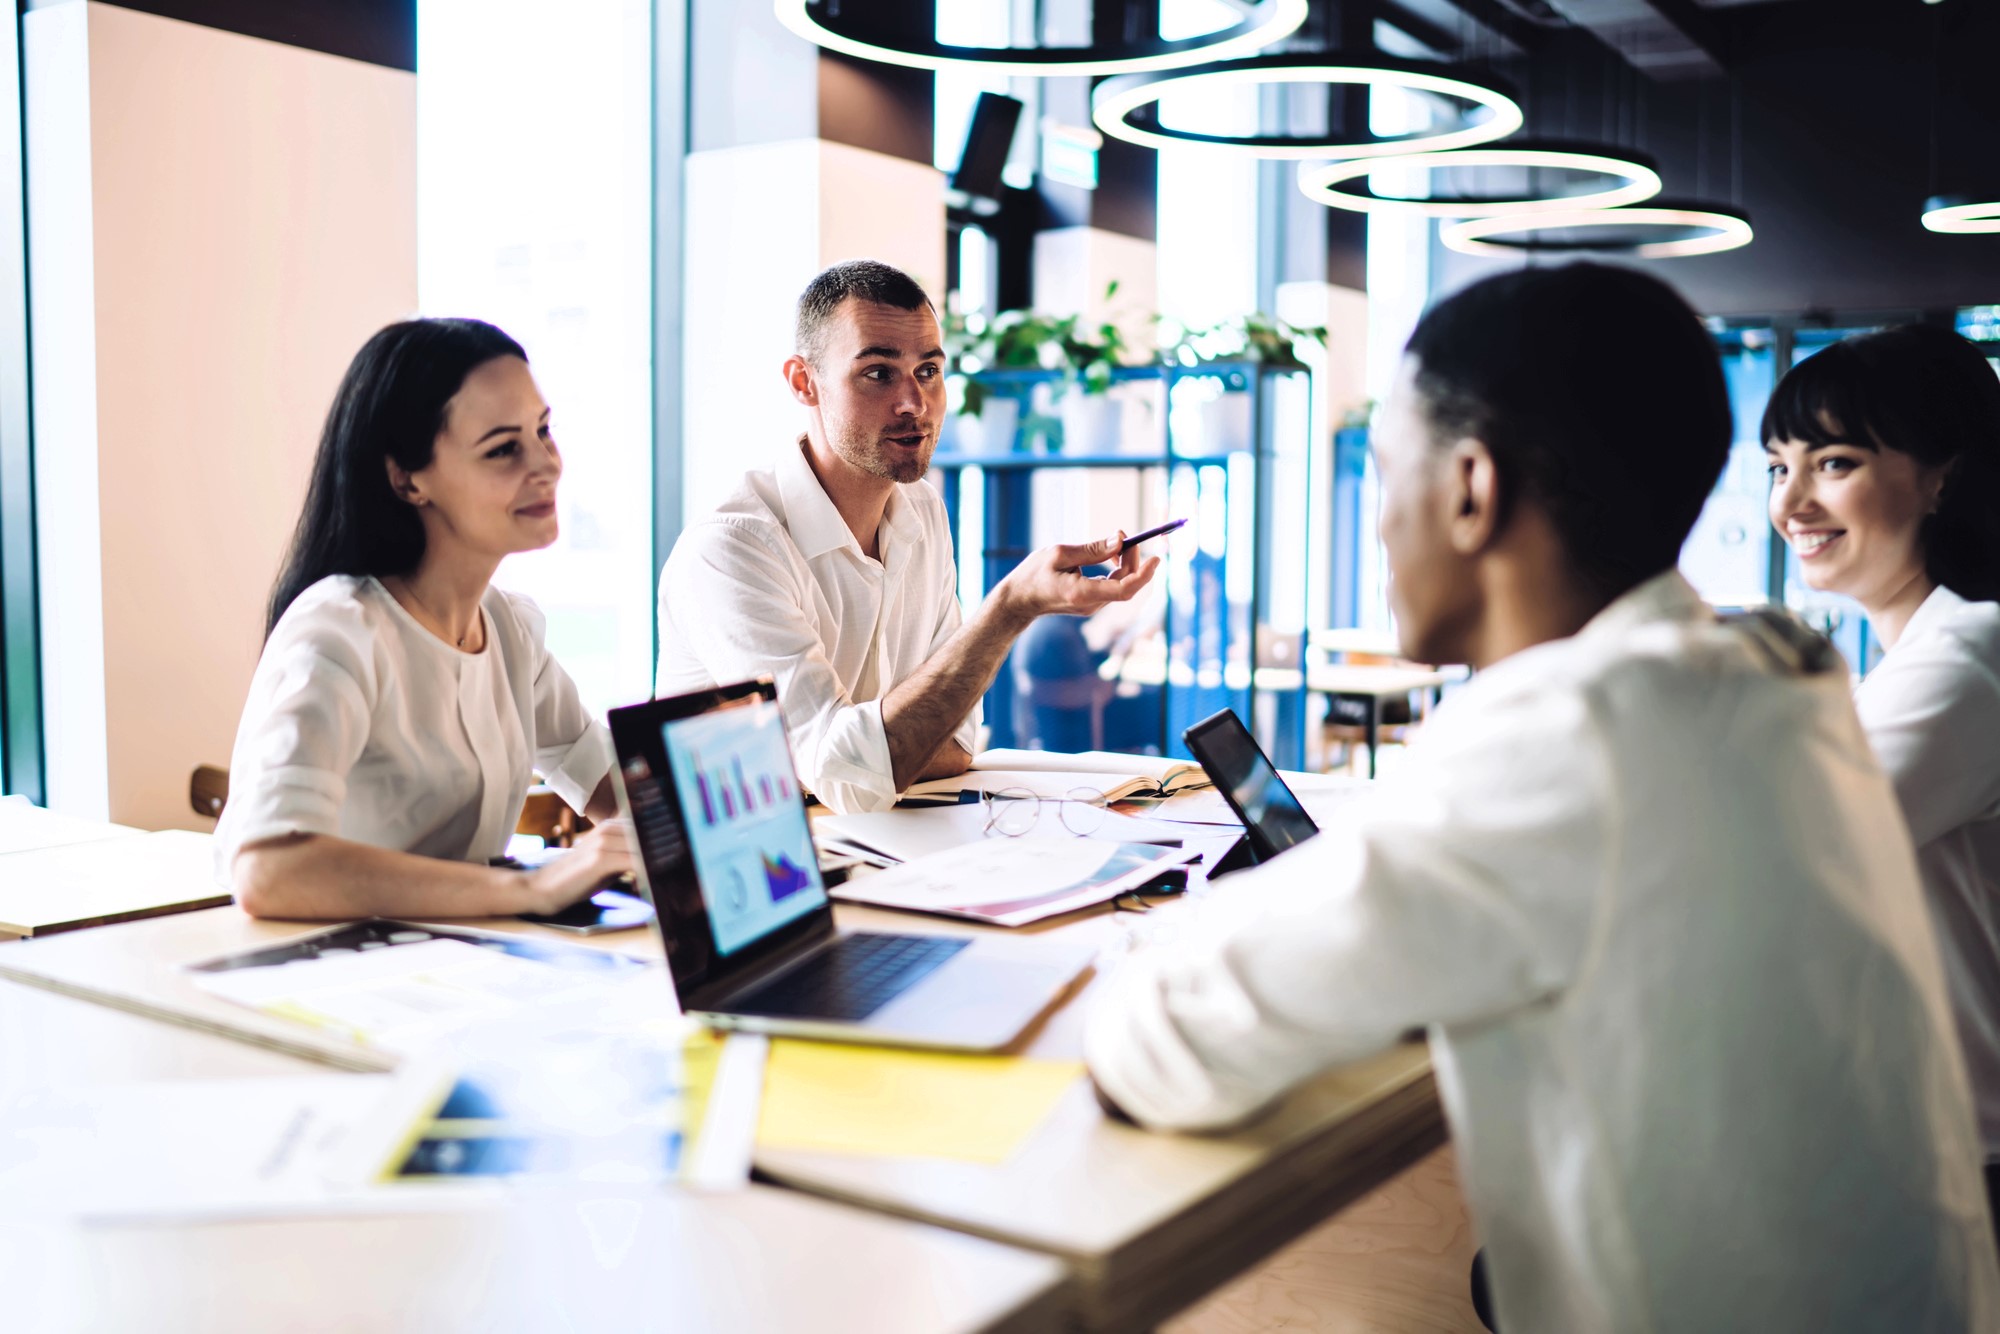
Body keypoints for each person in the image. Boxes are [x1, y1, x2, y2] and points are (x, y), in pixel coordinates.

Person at [1083, 265, 1999, 1331]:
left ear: (1470, 488)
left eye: (1385, 474)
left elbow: (1162, 1046)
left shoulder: (1567, 736)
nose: (1376, 525)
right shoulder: (1765, 667)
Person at [655, 259, 1158, 813]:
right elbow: (847, 779)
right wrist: (1010, 608)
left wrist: (880, 751)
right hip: (754, 872)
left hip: (878, 846)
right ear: (805, 383)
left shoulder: (921, 510)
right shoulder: (733, 550)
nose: (914, 404)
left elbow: (958, 740)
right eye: (878, 374)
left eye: (928, 372)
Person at [217, 318, 634, 919]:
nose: (546, 465)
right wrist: (533, 888)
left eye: (543, 431)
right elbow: (268, 870)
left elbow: (606, 782)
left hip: (460, 966)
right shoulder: (339, 631)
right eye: (503, 449)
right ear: (406, 479)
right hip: (329, 983)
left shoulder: (508, 627)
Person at [1763, 324, 2000, 1213]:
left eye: (1832, 463)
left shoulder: (1969, 652)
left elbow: (1777, 854)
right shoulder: (1915, 657)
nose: (1791, 506)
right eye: (1779, 467)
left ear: (1942, 474)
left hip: (1959, 1174)